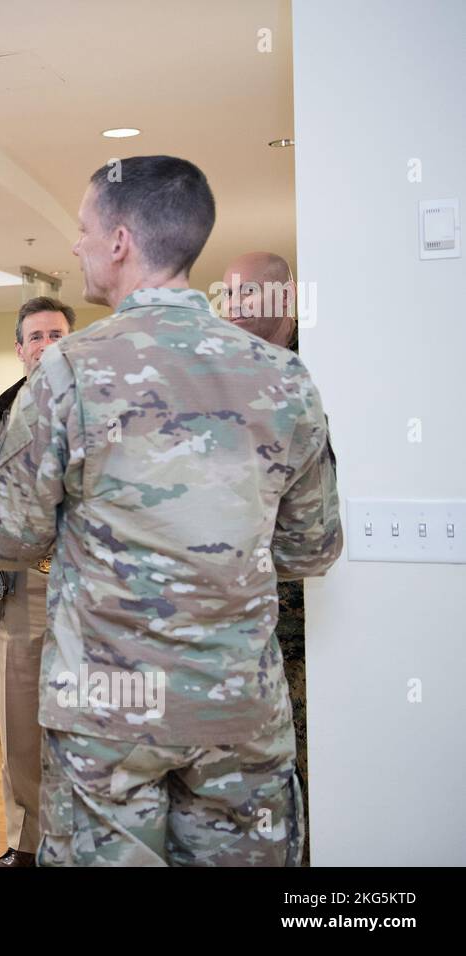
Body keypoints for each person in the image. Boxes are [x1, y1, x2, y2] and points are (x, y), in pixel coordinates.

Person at [0, 156, 343, 866]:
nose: (74, 245)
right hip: (237, 706)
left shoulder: (67, 370)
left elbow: (4, 535)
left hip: (107, 712)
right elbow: (313, 549)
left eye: (81, 229)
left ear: (118, 241)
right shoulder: (284, 375)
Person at [0, 295, 75, 867]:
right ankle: (26, 843)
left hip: (86, 596)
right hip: (19, 590)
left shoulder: (100, 410)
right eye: (36, 336)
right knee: (20, 728)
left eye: (57, 335)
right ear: (20, 348)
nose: (47, 346)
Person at [222, 250, 313, 864]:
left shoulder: (316, 369)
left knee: (303, 754)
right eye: (228, 296)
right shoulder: (222, 377)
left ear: (287, 298)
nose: (235, 307)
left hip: (305, 607)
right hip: (232, 615)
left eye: (250, 294)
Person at [222, 251, 298, 349]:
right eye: (228, 294)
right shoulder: (224, 357)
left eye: (249, 290)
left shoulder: (317, 348)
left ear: (285, 295)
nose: (233, 304)